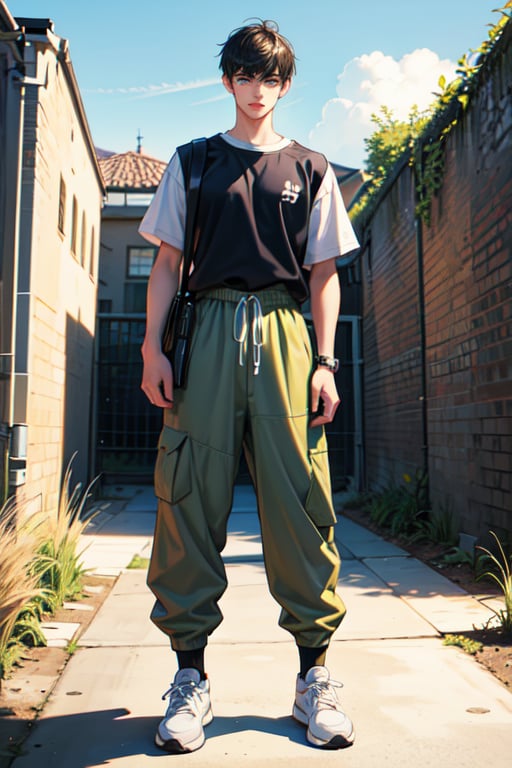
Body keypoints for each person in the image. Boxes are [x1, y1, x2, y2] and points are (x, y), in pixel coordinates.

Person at [138, 20, 359, 755]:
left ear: (285, 84)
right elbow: (167, 264)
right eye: (244, 75)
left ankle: (313, 678)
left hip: (286, 334)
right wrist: (151, 348)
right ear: (227, 80)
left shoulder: (311, 168)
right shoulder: (193, 163)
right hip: (203, 336)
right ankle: (189, 679)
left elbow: (325, 273)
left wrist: (325, 361)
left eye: (270, 77)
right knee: (189, 494)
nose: (257, 89)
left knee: (300, 496)